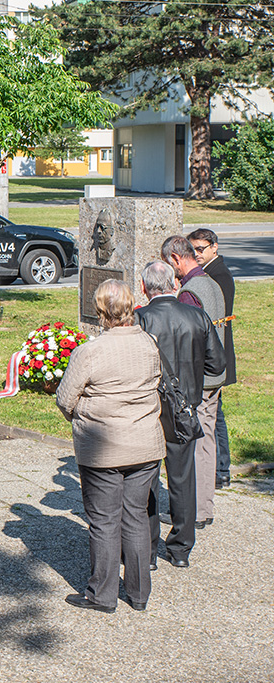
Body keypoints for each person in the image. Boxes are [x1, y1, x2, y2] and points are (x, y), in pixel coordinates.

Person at [55, 279, 164, 613]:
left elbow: (64, 398)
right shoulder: (149, 343)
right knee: (135, 517)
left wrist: (84, 416)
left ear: (100, 311)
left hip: (103, 447)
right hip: (145, 443)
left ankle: (101, 594)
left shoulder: (90, 351)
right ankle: (139, 593)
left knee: (104, 521)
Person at [135, 261, 224, 568]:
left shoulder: (140, 318)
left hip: (150, 409)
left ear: (145, 287)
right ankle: (181, 549)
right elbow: (217, 365)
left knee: (145, 479)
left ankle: (147, 551)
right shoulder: (197, 316)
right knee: (183, 479)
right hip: (185, 407)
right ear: (174, 284)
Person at [162, 235, 225, 528]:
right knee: (208, 440)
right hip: (215, 375)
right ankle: (205, 506)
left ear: (176, 259)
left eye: (168, 263)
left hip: (198, 380)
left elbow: (188, 340)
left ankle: (195, 512)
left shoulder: (190, 292)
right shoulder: (211, 283)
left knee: (196, 444)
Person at [187, 228, 236, 490]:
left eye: (201, 249)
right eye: (193, 249)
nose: (196, 254)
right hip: (215, 354)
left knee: (216, 417)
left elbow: (218, 319)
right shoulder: (211, 272)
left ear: (214, 247)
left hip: (216, 353)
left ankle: (221, 468)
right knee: (214, 414)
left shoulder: (219, 275)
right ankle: (219, 469)